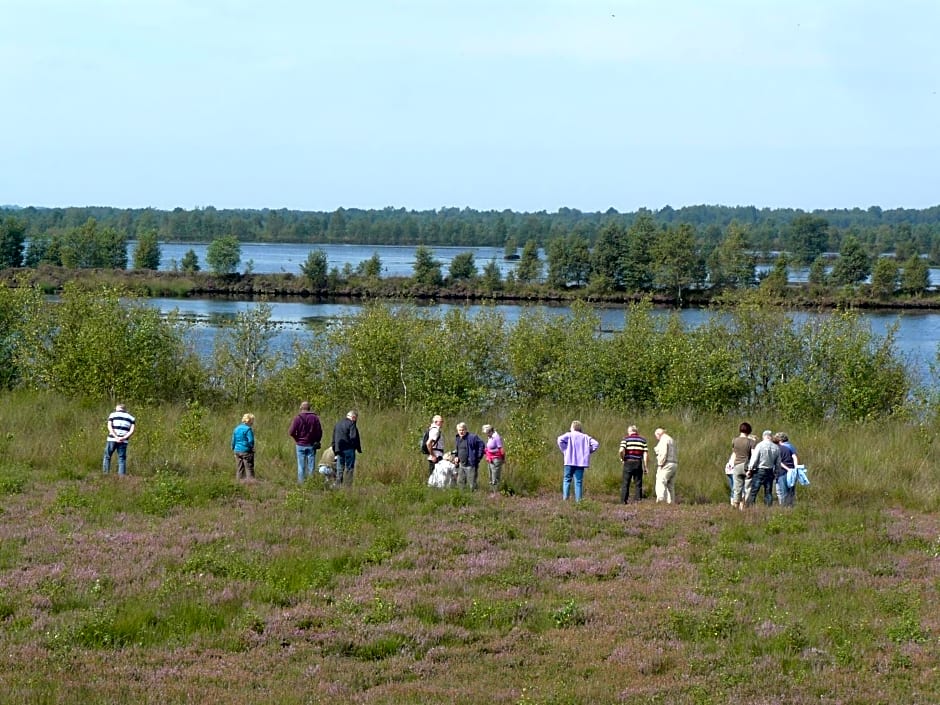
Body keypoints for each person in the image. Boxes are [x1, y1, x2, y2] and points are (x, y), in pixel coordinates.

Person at [556, 420, 599, 502]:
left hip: (569, 461)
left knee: (567, 480)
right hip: (580, 463)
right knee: (578, 482)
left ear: (572, 427)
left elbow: (559, 439)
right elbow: (596, 444)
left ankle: (565, 499)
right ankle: (579, 501)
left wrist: (564, 449)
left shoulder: (569, 435)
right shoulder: (585, 437)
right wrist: (587, 451)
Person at [288, 401, 323, 484]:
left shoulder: (298, 418)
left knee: (301, 466)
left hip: (300, 445)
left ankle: (301, 484)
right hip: (311, 445)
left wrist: (297, 439)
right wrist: (317, 441)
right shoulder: (315, 418)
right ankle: (310, 484)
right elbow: (319, 432)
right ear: (309, 408)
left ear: (301, 408)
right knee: (311, 467)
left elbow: (291, 432)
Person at [746, 430, 781, 507]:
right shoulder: (776, 447)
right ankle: (768, 509)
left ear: (763, 436)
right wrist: (776, 472)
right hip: (770, 471)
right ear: (770, 437)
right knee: (768, 492)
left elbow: (754, 458)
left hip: (760, 470)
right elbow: (778, 463)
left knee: (753, 492)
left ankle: (749, 509)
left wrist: (750, 469)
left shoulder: (759, 445)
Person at [102, 403, 136, 475]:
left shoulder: (112, 415)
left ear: (118, 408)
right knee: (122, 458)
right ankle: (121, 477)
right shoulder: (131, 418)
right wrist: (123, 437)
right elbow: (132, 430)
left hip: (112, 439)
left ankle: (105, 474)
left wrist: (116, 437)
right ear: (124, 409)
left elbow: (109, 427)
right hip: (124, 441)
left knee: (107, 456)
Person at [618, 424, 648, 503]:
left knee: (625, 482)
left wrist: (622, 458)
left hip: (628, 462)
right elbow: (645, 454)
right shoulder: (643, 440)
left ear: (630, 431)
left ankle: (623, 501)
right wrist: (645, 466)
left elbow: (621, 450)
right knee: (638, 483)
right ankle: (638, 500)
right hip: (638, 463)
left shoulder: (626, 439)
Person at [332, 410, 362, 486]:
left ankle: (338, 485)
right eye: (356, 419)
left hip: (339, 449)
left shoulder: (337, 424)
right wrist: (355, 447)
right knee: (349, 468)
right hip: (349, 449)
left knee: (340, 469)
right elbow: (353, 437)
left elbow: (333, 439)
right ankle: (348, 486)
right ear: (353, 417)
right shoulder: (351, 424)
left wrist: (335, 450)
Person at [730, 422, 756, 509]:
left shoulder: (734, 440)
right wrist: (751, 468)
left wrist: (732, 464)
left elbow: (734, 453)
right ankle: (745, 506)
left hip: (737, 465)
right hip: (747, 466)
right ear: (749, 431)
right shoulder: (751, 442)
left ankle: (735, 505)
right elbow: (753, 456)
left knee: (737, 487)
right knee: (748, 488)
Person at [454, 422, 485, 491]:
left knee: (472, 483)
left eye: (462, 430)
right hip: (461, 464)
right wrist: (456, 456)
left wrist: (478, 457)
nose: (461, 432)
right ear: (457, 430)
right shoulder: (458, 438)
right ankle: (462, 496)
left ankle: (474, 497)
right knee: (460, 482)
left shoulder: (472, 437)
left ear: (466, 430)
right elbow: (458, 449)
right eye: (459, 430)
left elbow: (482, 445)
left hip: (470, 464)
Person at [773, 432, 799, 507]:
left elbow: (779, 461)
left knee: (783, 492)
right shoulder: (791, 446)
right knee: (791, 491)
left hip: (783, 472)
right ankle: (791, 507)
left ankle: (784, 508)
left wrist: (787, 469)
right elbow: (795, 457)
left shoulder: (779, 449)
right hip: (792, 471)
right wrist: (795, 468)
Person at [653, 428, 678, 504]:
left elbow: (664, 453)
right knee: (670, 484)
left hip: (666, 463)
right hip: (674, 463)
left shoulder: (663, 440)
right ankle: (671, 502)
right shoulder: (671, 439)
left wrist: (660, 464)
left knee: (661, 481)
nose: (656, 438)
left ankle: (661, 500)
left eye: (656, 436)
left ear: (658, 434)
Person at [231, 413, 256, 481]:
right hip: (246, 451)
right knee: (249, 468)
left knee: (239, 468)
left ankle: (239, 483)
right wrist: (252, 448)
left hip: (237, 451)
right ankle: (251, 483)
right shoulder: (248, 429)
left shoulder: (236, 428)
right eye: (252, 421)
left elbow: (233, 440)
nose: (253, 423)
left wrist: (233, 448)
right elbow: (251, 441)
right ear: (249, 421)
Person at [482, 424, 505, 491]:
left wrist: (490, 451)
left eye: (487, 433)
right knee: (490, 476)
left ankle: (496, 492)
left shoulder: (496, 437)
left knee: (495, 476)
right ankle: (492, 490)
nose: (486, 435)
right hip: (490, 458)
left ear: (490, 431)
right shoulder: (490, 437)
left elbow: (500, 449)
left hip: (496, 459)